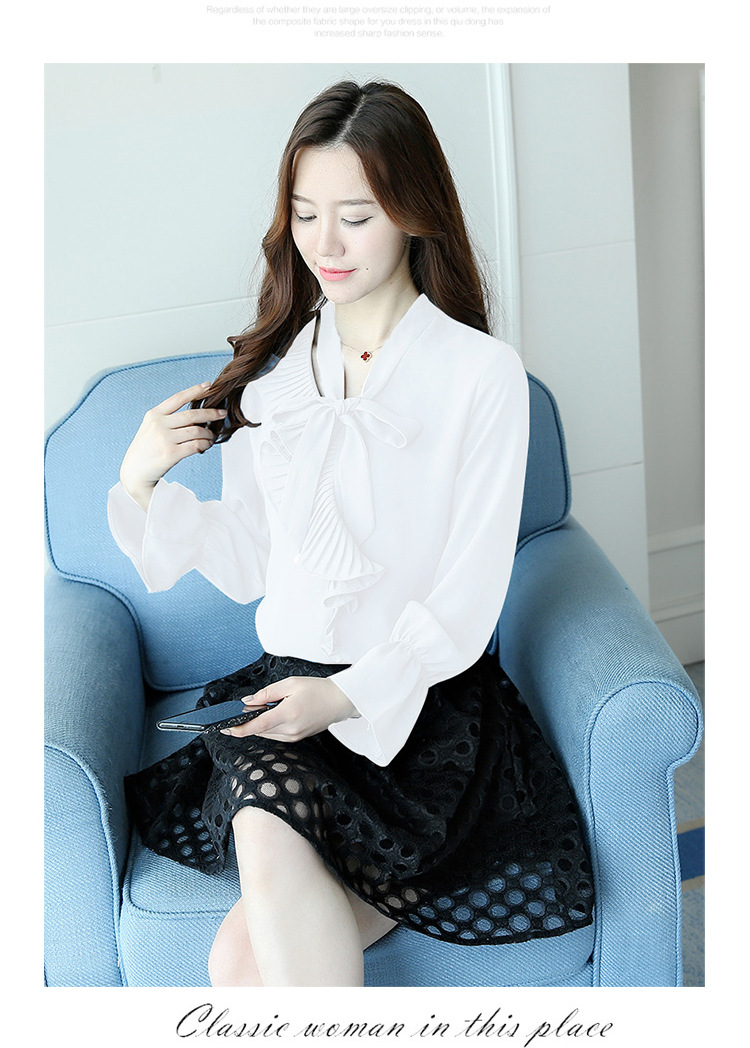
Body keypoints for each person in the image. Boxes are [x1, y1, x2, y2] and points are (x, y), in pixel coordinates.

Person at [107, 79, 593, 988]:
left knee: (239, 964)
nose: (324, 244)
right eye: (304, 214)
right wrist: (139, 482)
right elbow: (252, 561)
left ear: (413, 213)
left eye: (357, 217)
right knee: (250, 894)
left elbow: (468, 595)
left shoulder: (482, 375)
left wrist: (344, 696)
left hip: (419, 708)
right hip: (286, 699)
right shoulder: (275, 376)